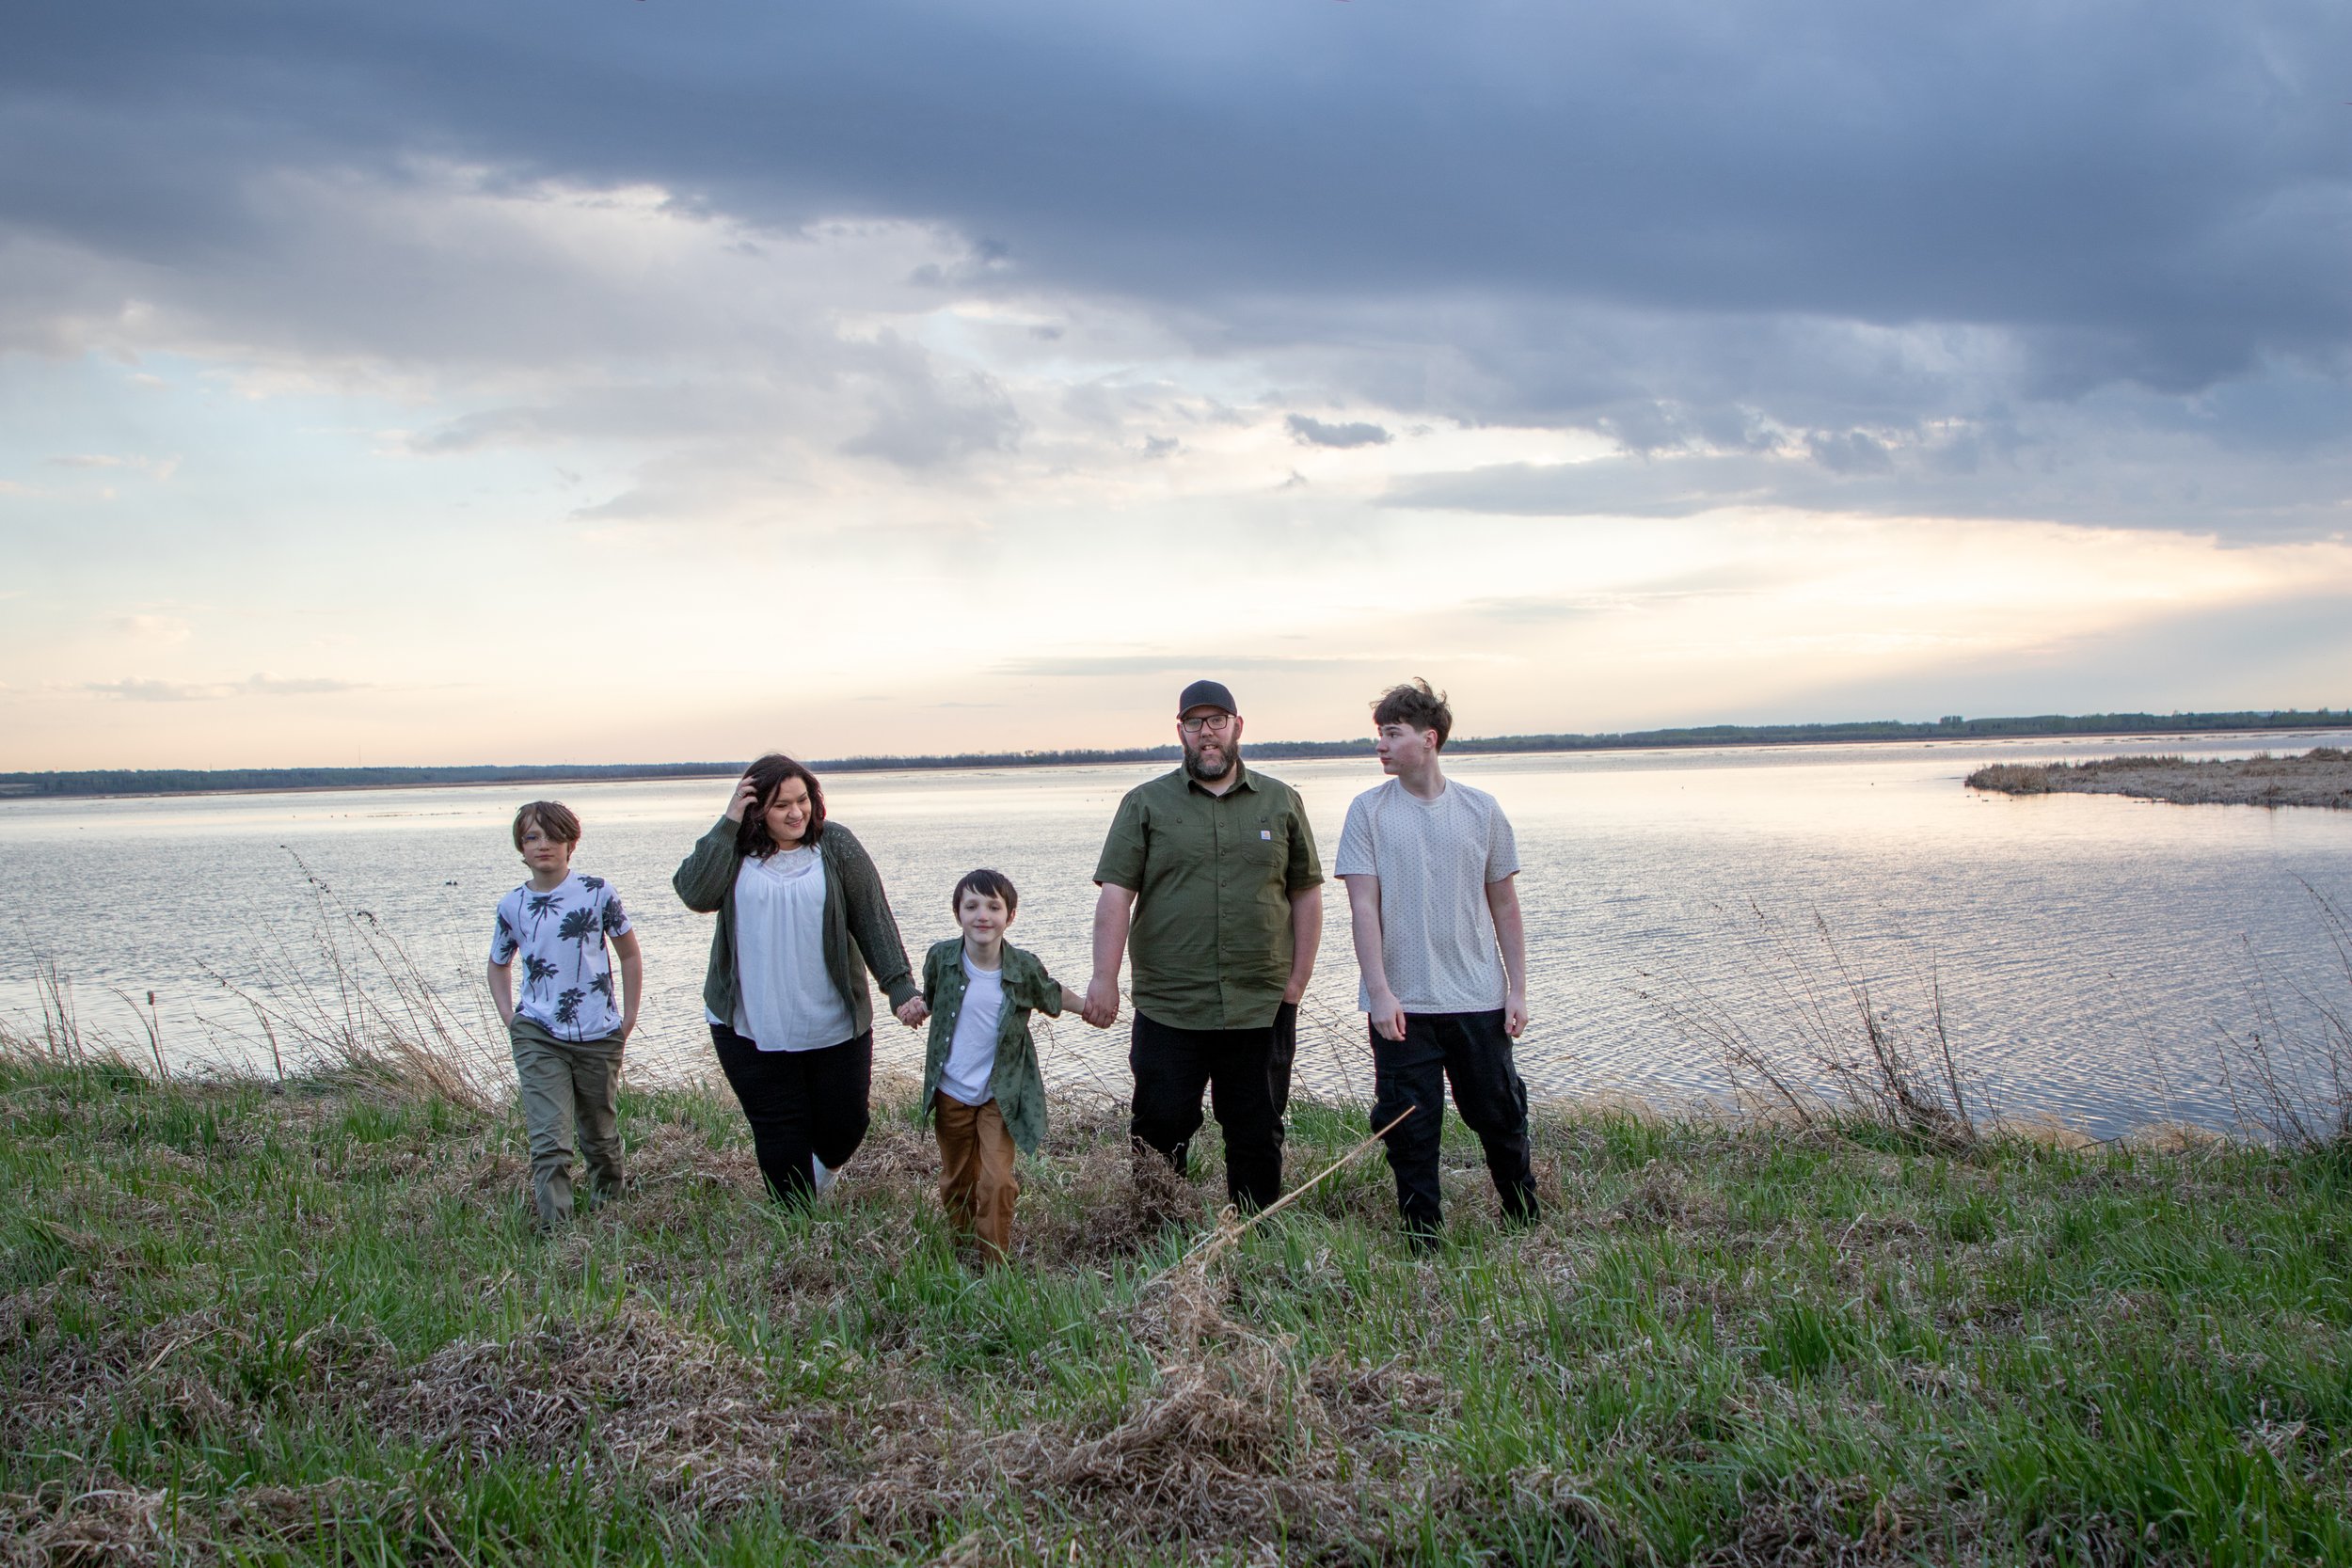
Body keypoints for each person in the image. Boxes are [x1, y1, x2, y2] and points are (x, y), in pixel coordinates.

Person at [1084, 679, 1324, 1212]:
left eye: (1217, 721)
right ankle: (1157, 1226)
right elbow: (1116, 897)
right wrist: (1104, 978)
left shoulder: (1281, 802)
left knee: (1257, 1128)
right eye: (1195, 723)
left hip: (1260, 1001)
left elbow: (1306, 894)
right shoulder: (1144, 803)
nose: (1206, 733)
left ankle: (1253, 1231)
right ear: (1180, 733)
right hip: (1171, 1003)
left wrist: (1297, 980)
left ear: (1238, 726)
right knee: (1159, 1124)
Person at [1335, 678, 1538, 1246]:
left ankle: (1524, 1216)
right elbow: (1363, 907)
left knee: (1500, 1115)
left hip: (1479, 997)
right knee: (1410, 1127)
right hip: (1403, 1004)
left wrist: (1517, 989)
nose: (1380, 745)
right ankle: (1422, 1237)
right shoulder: (1367, 812)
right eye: (1379, 734)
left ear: (1428, 739)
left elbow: (1505, 904)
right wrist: (1379, 993)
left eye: (1392, 734)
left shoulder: (1482, 810)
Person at [673, 754, 928, 1205]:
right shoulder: (733, 850)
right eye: (780, 805)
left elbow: (873, 919)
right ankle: (797, 1230)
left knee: (846, 1125)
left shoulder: (836, 846)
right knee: (779, 1128)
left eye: (802, 800)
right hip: (749, 1021)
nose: (796, 813)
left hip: (832, 1019)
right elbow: (695, 892)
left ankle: (820, 1184)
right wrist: (729, 820)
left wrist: (899, 988)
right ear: (755, 809)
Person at [914, 868, 1093, 1260]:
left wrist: (1090, 1007)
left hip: (1000, 1092)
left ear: (1009, 916)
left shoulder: (1022, 967)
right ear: (957, 913)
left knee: (997, 1181)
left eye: (994, 906)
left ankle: (993, 1262)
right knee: (957, 1181)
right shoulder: (941, 958)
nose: (983, 915)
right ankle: (963, 1249)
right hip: (951, 1090)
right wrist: (917, 1008)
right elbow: (932, 996)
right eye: (972, 906)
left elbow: (1051, 994)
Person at [487, 800, 642, 1230]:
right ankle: (557, 1230)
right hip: (538, 1033)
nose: (543, 846)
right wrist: (511, 1018)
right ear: (521, 845)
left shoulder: (598, 892)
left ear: (571, 842)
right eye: (532, 837)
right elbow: (498, 962)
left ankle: (610, 1212)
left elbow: (628, 953)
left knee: (600, 1135)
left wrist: (627, 1017)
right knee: (549, 1140)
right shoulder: (512, 905)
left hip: (599, 1030)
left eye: (553, 836)